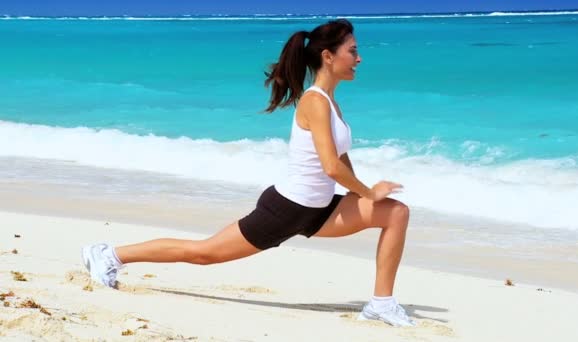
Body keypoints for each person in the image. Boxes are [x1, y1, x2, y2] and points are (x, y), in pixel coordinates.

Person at [81, 19, 414, 327]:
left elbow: (341, 157)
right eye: (353, 51)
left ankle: (381, 304)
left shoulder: (330, 102)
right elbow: (330, 166)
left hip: (319, 210)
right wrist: (369, 193)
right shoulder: (315, 102)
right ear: (328, 56)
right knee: (203, 253)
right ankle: (109, 254)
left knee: (396, 213)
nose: (359, 59)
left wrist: (361, 194)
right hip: (288, 208)